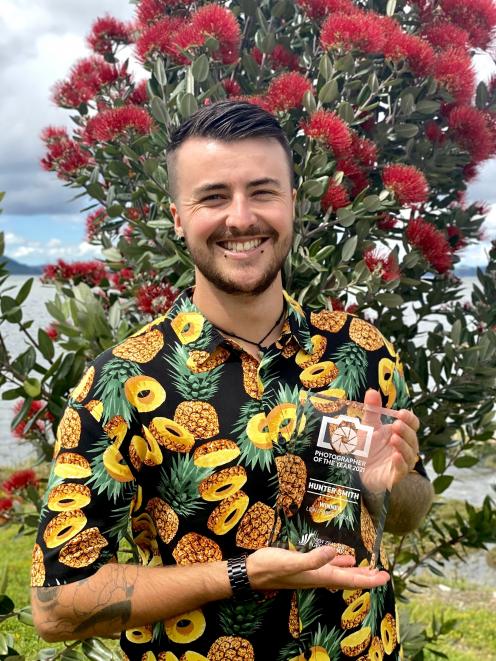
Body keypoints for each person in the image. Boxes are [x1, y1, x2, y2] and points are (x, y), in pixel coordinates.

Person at [31, 100, 434, 660]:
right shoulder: (120, 382)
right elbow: (56, 606)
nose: (241, 218)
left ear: (293, 203)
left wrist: (388, 484)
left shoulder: (362, 351)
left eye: (263, 192)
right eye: (214, 196)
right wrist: (244, 574)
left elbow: (409, 513)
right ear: (177, 216)